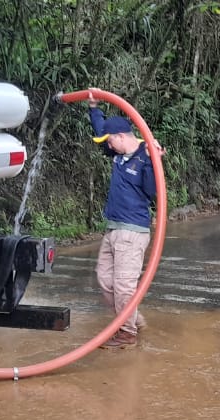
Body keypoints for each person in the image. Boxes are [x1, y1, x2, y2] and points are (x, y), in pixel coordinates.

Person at [86, 91, 160, 349]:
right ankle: (134, 319)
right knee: (104, 279)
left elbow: (152, 191)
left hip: (132, 231)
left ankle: (126, 334)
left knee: (124, 286)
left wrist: (153, 161)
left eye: (110, 141)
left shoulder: (145, 155)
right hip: (113, 229)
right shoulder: (117, 154)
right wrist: (94, 108)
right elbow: (100, 134)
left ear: (121, 137)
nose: (108, 146)